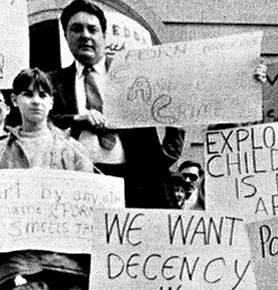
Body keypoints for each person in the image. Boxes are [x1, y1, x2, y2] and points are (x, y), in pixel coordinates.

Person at [48, 1, 184, 208]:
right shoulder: (52, 82)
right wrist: (77, 119)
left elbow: (175, 102)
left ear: (104, 36)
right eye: (76, 29)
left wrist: (164, 156)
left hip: (135, 182)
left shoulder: (134, 74)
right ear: (65, 36)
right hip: (77, 185)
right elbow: (41, 119)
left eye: (92, 29)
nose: (85, 35)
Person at [0, 68, 95, 171]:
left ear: (51, 102)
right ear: (14, 100)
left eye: (42, 95)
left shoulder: (73, 149)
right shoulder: (2, 148)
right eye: (28, 95)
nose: (36, 101)